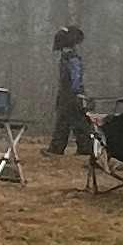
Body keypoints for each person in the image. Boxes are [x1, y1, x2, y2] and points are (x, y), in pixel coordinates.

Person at [48, 22, 88, 157]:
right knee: (67, 121)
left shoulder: (72, 59)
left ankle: (83, 148)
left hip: (71, 95)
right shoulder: (69, 58)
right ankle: (59, 149)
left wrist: (76, 92)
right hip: (68, 94)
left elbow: (76, 77)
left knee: (75, 121)